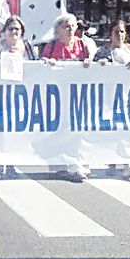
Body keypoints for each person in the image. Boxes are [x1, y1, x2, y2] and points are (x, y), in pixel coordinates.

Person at [0, 16, 37, 179]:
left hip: (21, 95)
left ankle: (12, 164)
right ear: (4, 31)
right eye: (11, 28)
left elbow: (36, 66)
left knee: (16, 130)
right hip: (1, 94)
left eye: (17, 29)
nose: (14, 32)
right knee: (1, 130)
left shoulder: (27, 47)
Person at [41, 13, 92, 182]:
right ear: (58, 30)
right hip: (56, 94)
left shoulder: (82, 44)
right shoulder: (51, 45)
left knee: (76, 128)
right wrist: (48, 63)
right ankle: (60, 163)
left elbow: (92, 62)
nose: (71, 29)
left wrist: (90, 62)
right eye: (66, 26)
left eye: (73, 26)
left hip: (77, 94)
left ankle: (76, 162)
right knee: (59, 128)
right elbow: (41, 65)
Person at [94, 20, 130, 180]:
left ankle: (127, 166)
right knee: (112, 129)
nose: (120, 35)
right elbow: (93, 69)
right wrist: (100, 64)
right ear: (110, 34)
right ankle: (112, 161)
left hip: (127, 96)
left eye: (122, 32)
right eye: (116, 31)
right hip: (109, 96)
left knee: (126, 129)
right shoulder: (102, 51)